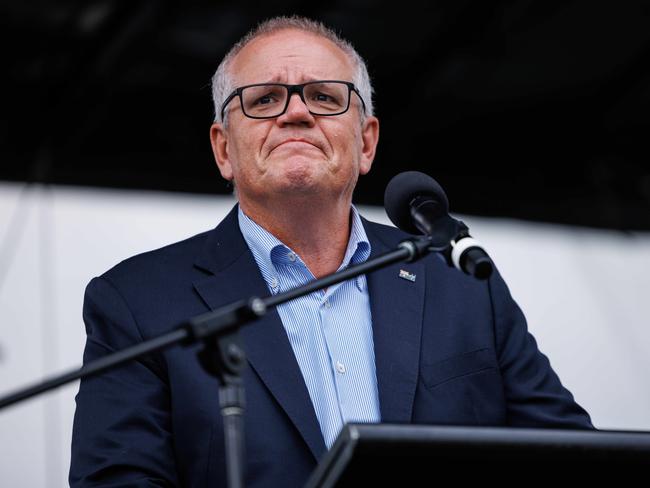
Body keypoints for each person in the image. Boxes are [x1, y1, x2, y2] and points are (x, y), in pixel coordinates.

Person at [70, 15, 593, 488]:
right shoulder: (137, 303)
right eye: (264, 99)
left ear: (366, 143)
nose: (296, 112)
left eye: (324, 96)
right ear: (224, 148)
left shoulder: (459, 279)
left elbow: (574, 459)